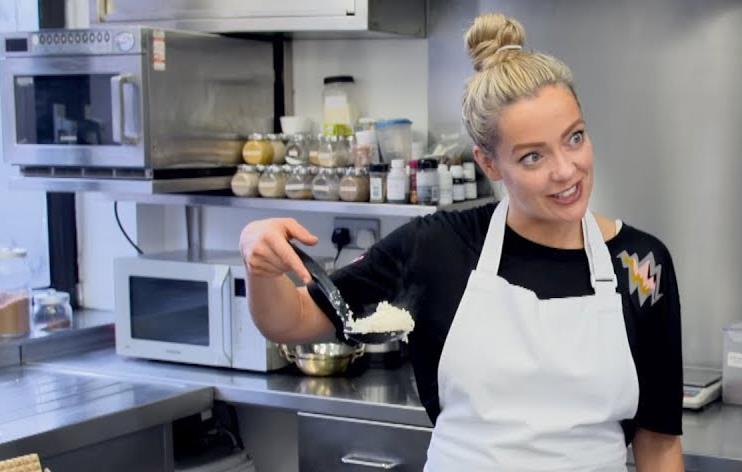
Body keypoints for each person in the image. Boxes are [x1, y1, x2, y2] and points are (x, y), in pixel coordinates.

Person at [239, 12, 684, 472]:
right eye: (533, 156)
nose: (566, 170)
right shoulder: (437, 246)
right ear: (489, 164)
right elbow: (290, 320)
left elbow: (658, 441)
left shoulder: (641, 265)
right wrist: (260, 261)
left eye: (575, 138)